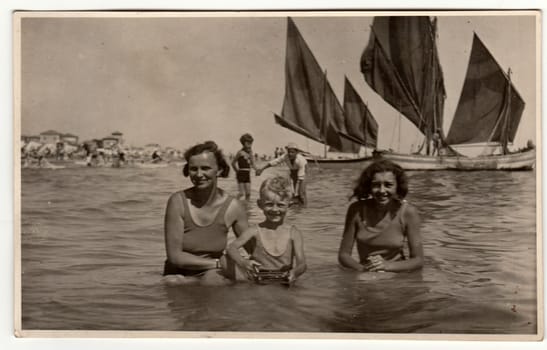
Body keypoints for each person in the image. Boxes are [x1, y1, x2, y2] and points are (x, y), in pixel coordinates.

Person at [163, 141, 250, 285]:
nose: (199, 174)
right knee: (172, 282)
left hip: (212, 275)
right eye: (193, 169)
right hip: (178, 273)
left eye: (205, 168)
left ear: (220, 170)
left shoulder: (233, 207)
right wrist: (219, 264)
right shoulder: (177, 202)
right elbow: (175, 256)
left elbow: (254, 248)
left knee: (213, 281)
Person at [338, 159, 423, 272]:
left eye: (388, 185)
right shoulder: (356, 209)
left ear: (398, 186)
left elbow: (418, 260)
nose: (382, 190)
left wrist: (387, 266)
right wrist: (364, 270)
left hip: (397, 274)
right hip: (366, 272)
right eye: (376, 185)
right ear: (368, 186)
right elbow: (343, 255)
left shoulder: (408, 213)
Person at [225, 176, 306, 284]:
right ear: (260, 204)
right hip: (259, 281)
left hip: (285, 280)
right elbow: (231, 248)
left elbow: (302, 263)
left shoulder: (294, 233)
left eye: (281, 205)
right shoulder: (254, 230)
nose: (275, 209)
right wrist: (244, 263)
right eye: (269, 204)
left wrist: (295, 272)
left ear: (289, 205)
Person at [256, 142, 307, 207]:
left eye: (292, 152)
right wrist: (262, 169)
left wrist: (297, 192)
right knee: (294, 194)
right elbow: (274, 162)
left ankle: (305, 209)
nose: (290, 154)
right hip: (293, 172)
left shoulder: (300, 160)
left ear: (296, 152)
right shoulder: (285, 156)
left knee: (301, 193)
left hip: (303, 172)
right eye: (289, 152)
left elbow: (300, 179)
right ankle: (298, 209)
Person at [231, 133, 257, 200]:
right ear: (243, 143)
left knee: (248, 194)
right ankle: (233, 203)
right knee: (241, 193)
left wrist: (257, 170)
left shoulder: (250, 152)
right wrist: (237, 171)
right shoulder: (240, 152)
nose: (250, 145)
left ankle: (246, 208)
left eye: (251, 143)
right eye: (248, 143)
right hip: (241, 173)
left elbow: (252, 164)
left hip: (247, 174)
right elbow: (233, 163)